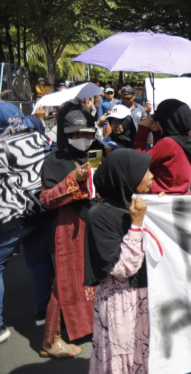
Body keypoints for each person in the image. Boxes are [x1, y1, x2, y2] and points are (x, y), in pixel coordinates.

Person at [40, 109, 105, 358]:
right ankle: (50, 340)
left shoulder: (96, 151)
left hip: (96, 223)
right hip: (70, 227)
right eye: (77, 134)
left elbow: (98, 184)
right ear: (66, 135)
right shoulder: (54, 161)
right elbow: (46, 199)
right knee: (64, 283)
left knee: (94, 278)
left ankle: (89, 323)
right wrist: (72, 179)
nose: (83, 138)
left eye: (87, 133)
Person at [84, 149, 152, 373]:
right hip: (121, 305)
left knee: (144, 356)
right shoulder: (99, 216)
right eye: (145, 171)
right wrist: (136, 225)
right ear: (127, 175)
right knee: (123, 360)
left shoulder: (136, 206)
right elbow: (122, 268)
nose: (152, 176)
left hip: (144, 298)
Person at [0, 104, 55, 343]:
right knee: (38, 259)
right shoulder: (42, 138)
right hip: (41, 209)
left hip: (12, 216)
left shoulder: (2, 145)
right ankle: (42, 313)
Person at [134, 99, 191, 195]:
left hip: (162, 201)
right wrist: (157, 134)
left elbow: (139, 164)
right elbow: (163, 162)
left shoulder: (168, 143)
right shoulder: (186, 140)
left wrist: (142, 132)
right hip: (181, 197)